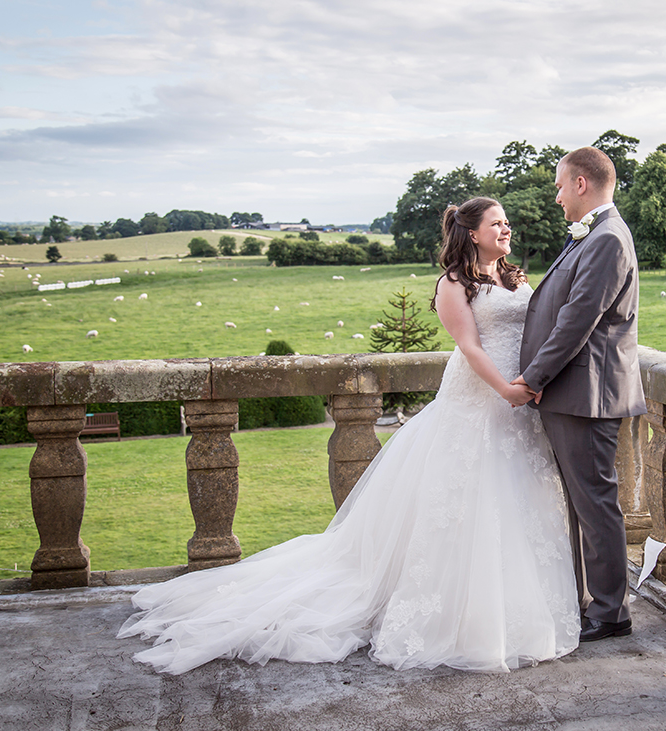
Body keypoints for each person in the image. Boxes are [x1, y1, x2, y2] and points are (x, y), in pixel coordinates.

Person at [117, 197, 580, 674]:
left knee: (516, 499)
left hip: (521, 404)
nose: (506, 230)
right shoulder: (453, 284)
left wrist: (535, 380)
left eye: (506, 223)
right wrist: (506, 388)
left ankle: (518, 603)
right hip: (481, 397)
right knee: (470, 502)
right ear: (472, 233)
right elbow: (468, 346)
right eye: (496, 223)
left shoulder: (514, 277)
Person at [512, 146, 646, 643]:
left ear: (581, 184)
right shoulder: (593, 235)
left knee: (595, 502)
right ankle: (586, 601)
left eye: (558, 185)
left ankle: (611, 612)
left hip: (587, 395)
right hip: (573, 393)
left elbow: (577, 321)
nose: (555, 195)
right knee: (580, 502)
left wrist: (532, 379)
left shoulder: (608, 238)